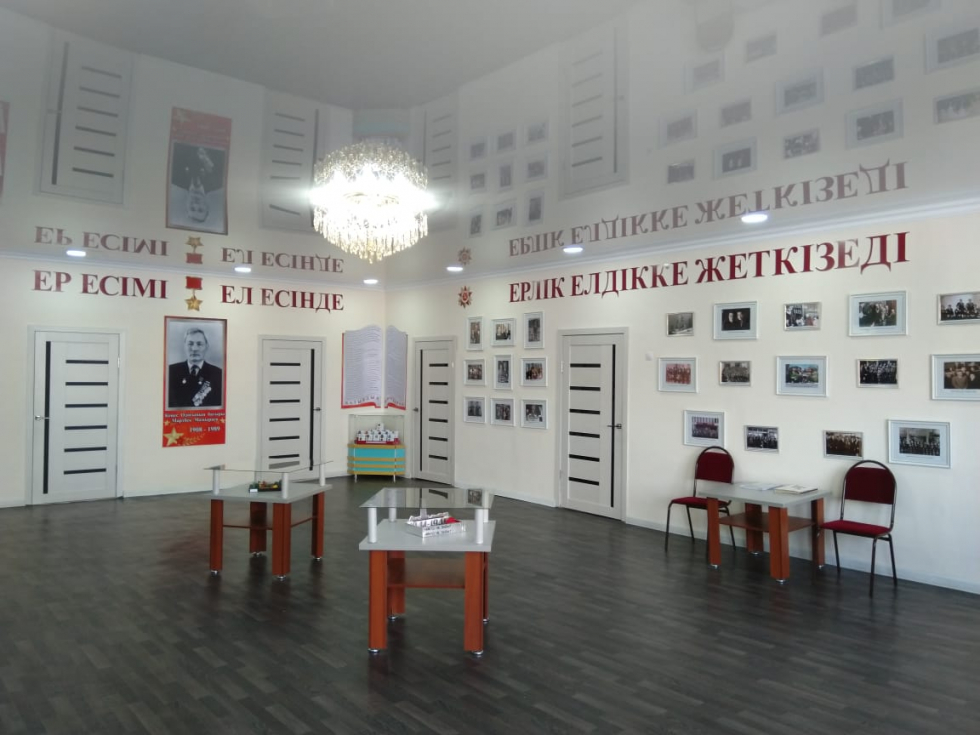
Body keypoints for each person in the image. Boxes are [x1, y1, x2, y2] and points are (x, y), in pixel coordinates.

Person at [168, 327, 223, 408]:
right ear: (184, 346)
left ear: (206, 346)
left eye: (199, 344)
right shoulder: (170, 371)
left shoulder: (218, 374)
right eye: (190, 344)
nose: (194, 349)